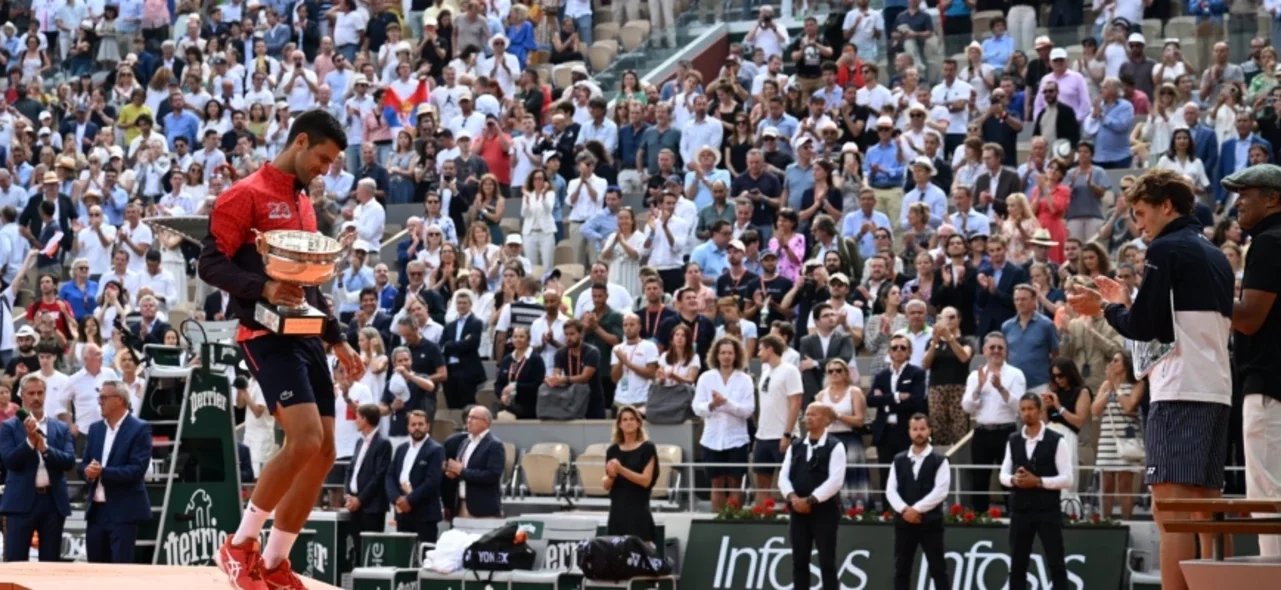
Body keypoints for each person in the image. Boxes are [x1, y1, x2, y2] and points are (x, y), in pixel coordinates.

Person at [198, 109, 366, 587]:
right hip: (265, 333)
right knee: (306, 439)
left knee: (326, 450)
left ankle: (272, 563)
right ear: (300, 141)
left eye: (332, 163)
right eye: (323, 158)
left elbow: (310, 283)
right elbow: (209, 264)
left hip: (307, 334)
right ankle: (236, 547)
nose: (326, 169)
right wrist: (262, 288)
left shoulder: (305, 204)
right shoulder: (244, 194)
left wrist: (337, 338)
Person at [1067, 168, 1234, 590]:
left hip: (1179, 392)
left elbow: (1144, 326)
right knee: (1205, 509)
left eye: (1141, 213)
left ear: (1166, 206)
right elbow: (1164, 329)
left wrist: (1104, 310)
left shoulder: (1166, 248)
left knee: (1170, 512)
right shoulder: (1213, 254)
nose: (1138, 225)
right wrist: (1124, 300)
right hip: (1214, 390)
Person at [1222, 164, 1281, 556]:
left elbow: (1249, 318)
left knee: (1269, 495)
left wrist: (1203, 298)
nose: (1238, 201)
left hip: (1269, 389)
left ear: (1273, 198)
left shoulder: (1269, 242)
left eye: (1247, 192)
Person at [1000, 393, 1073, 590]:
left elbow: (1067, 479)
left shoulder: (1057, 440)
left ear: (1040, 411)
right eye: (1023, 409)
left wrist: (1038, 482)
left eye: (1031, 408)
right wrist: (1014, 479)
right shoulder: (1013, 440)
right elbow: (1003, 475)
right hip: (1020, 510)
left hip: (1047, 510)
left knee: (1056, 562)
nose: (1027, 413)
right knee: (1017, 564)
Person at [0, 374, 75, 562]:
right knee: (15, 562)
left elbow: (69, 461)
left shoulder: (60, 428)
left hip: (52, 502)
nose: (36, 397)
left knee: (51, 563)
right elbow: (10, 461)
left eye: (40, 393)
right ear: (22, 396)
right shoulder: (8, 427)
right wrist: (30, 443)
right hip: (20, 503)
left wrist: (45, 449)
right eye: (31, 393)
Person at [79, 379, 152, 563]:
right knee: (95, 570)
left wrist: (102, 472)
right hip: (96, 512)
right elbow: (84, 464)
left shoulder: (140, 428)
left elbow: (137, 470)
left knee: (120, 571)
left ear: (119, 399)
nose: (99, 401)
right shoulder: (96, 429)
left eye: (103, 397)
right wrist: (88, 471)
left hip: (123, 511)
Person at [779, 402, 847, 590]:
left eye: (814, 414)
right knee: (799, 562)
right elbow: (783, 477)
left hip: (825, 511)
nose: (808, 417)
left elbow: (836, 481)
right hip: (798, 511)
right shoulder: (796, 445)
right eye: (807, 414)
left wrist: (811, 500)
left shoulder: (836, 446)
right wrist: (793, 498)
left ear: (826, 420)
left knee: (827, 562)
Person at [960, 332, 1027, 512]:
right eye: (992, 347)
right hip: (982, 432)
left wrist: (1000, 388)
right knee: (980, 479)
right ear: (984, 350)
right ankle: (980, 517)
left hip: (1007, 432)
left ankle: (1015, 517)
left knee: (1009, 478)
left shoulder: (1015, 374)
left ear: (1006, 351)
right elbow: (967, 407)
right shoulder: (975, 376)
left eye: (1000, 347)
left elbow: (1020, 407)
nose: (996, 351)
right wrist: (979, 388)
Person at [887, 413, 951, 590]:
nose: (919, 433)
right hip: (904, 523)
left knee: (938, 569)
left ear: (929, 430)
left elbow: (941, 491)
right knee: (901, 570)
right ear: (909, 432)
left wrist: (916, 510)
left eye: (922, 429)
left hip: (931, 523)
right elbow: (890, 490)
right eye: (915, 429)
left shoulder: (940, 460)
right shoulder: (899, 460)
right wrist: (904, 510)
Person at [693, 336, 755, 512]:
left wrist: (725, 403)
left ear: (736, 356)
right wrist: (712, 405)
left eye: (730, 353)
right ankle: (717, 519)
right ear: (716, 355)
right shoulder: (706, 378)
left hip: (737, 439)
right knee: (716, 482)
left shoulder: (745, 379)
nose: (726, 356)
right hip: (712, 439)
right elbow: (697, 408)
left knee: (735, 482)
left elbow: (748, 410)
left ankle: (734, 521)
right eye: (723, 353)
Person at [868, 334, 927, 505]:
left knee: (907, 472)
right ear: (889, 352)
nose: (899, 351)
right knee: (886, 473)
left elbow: (916, 401)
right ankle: (887, 510)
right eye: (895, 348)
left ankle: (909, 507)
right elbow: (871, 400)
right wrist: (897, 396)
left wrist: (885, 399)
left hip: (905, 430)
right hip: (884, 431)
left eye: (903, 347)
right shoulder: (881, 375)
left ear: (909, 352)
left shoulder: (916, 373)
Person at [1092, 350, 1145, 520]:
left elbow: (1129, 406)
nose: (1112, 364)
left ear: (1126, 365)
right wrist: (1110, 389)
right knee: (1106, 483)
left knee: (1125, 484)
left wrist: (1118, 389)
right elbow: (1094, 410)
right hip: (1107, 439)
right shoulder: (1106, 385)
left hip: (1127, 438)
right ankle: (1106, 520)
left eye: (1116, 361)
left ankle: (1127, 521)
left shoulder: (1138, 384)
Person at [753, 334, 804, 506]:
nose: (758, 353)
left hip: (783, 435)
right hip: (763, 436)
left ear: (769, 349)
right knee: (761, 481)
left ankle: (793, 519)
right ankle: (761, 516)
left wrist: (787, 434)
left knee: (790, 482)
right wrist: (758, 435)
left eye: (760, 349)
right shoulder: (766, 371)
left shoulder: (790, 370)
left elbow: (796, 403)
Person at [386, 409, 444, 546]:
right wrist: (396, 499)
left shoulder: (436, 449)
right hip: (402, 513)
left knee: (424, 555)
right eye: (413, 424)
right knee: (403, 555)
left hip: (425, 514)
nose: (417, 427)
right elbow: (390, 476)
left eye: (420, 424)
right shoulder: (401, 449)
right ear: (408, 427)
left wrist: (409, 500)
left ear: (427, 426)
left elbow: (432, 481)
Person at [603, 405, 659, 542]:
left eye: (632, 419)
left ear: (638, 423)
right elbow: (606, 484)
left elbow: (645, 481)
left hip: (638, 510)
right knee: (616, 557)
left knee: (641, 556)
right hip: (617, 510)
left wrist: (620, 469)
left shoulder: (647, 448)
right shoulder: (612, 450)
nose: (628, 422)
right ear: (619, 425)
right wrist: (611, 475)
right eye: (625, 420)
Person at [442, 405, 506, 519]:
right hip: (460, 504)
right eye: (468, 418)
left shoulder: (494, 445)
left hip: (483, 509)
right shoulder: (465, 442)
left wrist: (462, 471)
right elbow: (462, 471)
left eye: (473, 418)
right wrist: (454, 473)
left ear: (486, 422)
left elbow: (492, 475)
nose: (469, 420)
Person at [344, 403, 391, 555]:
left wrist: (360, 499)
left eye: (357, 417)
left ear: (365, 419)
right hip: (355, 505)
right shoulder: (359, 442)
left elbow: (378, 476)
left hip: (372, 507)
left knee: (370, 550)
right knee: (357, 548)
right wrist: (348, 495)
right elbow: (351, 470)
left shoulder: (383, 443)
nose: (355, 421)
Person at [440, 289, 484, 409]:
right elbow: (442, 346)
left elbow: (471, 344)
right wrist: (461, 343)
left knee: (467, 405)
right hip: (450, 371)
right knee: (452, 405)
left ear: (470, 304)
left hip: (467, 370)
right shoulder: (450, 325)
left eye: (464, 303)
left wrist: (451, 345)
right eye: (459, 303)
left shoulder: (476, 323)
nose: (461, 305)